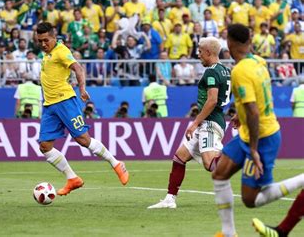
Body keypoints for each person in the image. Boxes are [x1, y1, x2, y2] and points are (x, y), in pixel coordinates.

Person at [212, 24, 304, 237]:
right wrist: (239, 114)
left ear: (229, 42)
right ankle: (228, 233)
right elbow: (257, 99)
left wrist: (253, 149)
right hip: (249, 132)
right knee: (220, 174)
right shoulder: (258, 61)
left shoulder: (240, 71)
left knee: (250, 200)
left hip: (262, 137)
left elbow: (253, 112)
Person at [35, 22, 129, 196]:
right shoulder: (47, 53)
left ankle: (116, 163)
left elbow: (78, 68)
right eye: (39, 41)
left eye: (45, 40)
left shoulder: (61, 51)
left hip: (65, 101)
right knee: (45, 146)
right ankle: (72, 178)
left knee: (83, 140)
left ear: (54, 38)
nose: (42, 44)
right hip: (49, 105)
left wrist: (82, 89)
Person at [148, 37, 231, 209]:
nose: (198, 55)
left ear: (208, 52)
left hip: (209, 122)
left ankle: (239, 154)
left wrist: (195, 123)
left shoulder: (211, 72)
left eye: (200, 52)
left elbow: (212, 100)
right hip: (214, 121)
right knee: (180, 157)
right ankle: (170, 199)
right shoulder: (225, 70)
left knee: (210, 164)